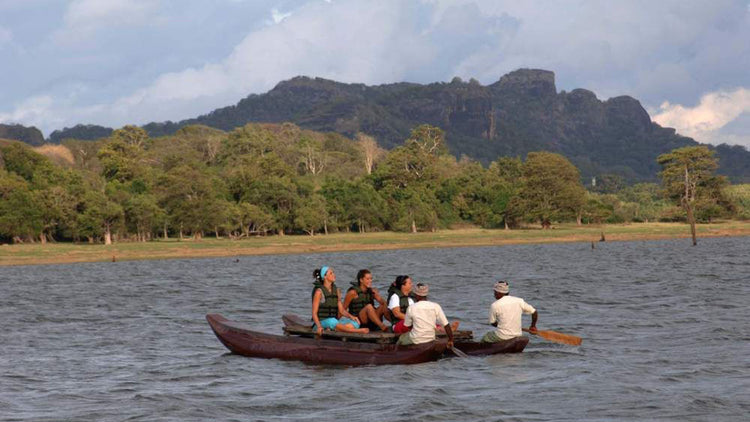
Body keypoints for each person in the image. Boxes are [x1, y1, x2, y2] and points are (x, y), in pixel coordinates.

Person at [311, 266, 369, 335]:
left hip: (334, 322)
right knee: (332, 321)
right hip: (321, 322)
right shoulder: (319, 292)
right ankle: (358, 331)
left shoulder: (337, 291)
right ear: (325, 276)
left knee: (355, 322)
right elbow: (314, 313)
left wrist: (352, 317)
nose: (334, 275)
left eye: (333, 273)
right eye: (331, 273)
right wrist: (319, 326)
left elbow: (341, 310)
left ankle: (335, 329)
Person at [396, 283, 454, 349]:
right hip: (430, 338)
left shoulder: (411, 307)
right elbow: (446, 325)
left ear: (417, 295)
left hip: (415, 339)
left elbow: (408, 326)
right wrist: (450, 340)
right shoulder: (436, 306)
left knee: (401, 339)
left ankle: (399, 354)